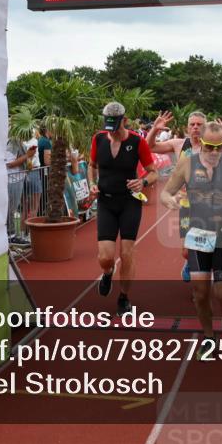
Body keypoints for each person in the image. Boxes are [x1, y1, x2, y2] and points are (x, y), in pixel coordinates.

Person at [160, 121, 222, 357]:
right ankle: (208, 336)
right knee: (201, 293)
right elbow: (167, 191)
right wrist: (168, 200)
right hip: (197, 234)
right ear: (199, 143)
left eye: (219, 147)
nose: (214, 153)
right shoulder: (187, 164)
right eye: (209, 147)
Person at [146, 111, 222, 281]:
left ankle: (205, 273)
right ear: (186, 128)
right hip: (187, 204)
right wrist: (154, 130)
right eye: (192, 124)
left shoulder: (215, 145)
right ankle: (192, 264)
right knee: (186, 250)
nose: (195, 127)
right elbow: (149, 147)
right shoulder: (179, 144)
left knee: (210, 246)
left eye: (199, 125)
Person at [88, 101, 157, 315]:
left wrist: (143, 182)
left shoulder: (138, 142)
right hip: (106, 202)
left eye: (116, 126)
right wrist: (92, 183)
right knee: (105, 257)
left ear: (124, 121)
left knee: (127, 253)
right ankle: (108, 273)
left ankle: (123, 298)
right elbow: (92, 166)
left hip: (129, 202)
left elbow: (153, 171)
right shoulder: (98, 139)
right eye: (109, 126)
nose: (113, 131)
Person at [5, 136, 36, 244]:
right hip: (12, 180)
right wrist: (28, 155)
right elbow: (9, 163)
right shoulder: (13, 141)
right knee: (10, 209)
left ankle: (11, 236)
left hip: (17, 179)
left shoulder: (17, 141)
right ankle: (11, 236)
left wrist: (28, 157)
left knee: (12, 209)